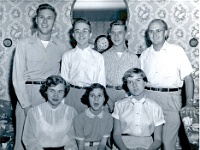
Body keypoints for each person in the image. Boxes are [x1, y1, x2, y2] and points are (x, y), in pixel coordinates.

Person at [12, 3, 67, 150]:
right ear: (36, 20)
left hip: (50, 98)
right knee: (22, 143)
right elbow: (17, 79)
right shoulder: (23, 44)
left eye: (49, 18)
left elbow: (66, 75)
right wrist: (26, 105)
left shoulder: (62, 47)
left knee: (47, 141)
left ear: (54, 22)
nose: (45, 21)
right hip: (27, 96)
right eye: (41, 17)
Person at [140, 19, 195, 150]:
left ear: (166, 32)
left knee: (168, 142)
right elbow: (140, 81)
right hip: (148, 99)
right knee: (150, 141)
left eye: (158, 30)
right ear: (148, 34)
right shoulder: (144, 55)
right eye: (151, 31)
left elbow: (188, 78)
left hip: (171, 99)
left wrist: (189, 103)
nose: (155, 34)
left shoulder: (177, 51)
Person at [112, 68, 165, 150]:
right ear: (126, 85)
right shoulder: (119, 105)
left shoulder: (155, 108)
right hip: (122, 145)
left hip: (147, 146)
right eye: (130, 82)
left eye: (138, 80)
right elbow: (116, 134)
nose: (134, 85)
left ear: (145, 82)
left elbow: (158, 140)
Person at [61, 18, 106, 114]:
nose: (81, 34)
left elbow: (101, 83)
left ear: (90, 34)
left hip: (91, 96)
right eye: (77, 31)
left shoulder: (98, 57)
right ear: (73, 35)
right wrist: (62, 103)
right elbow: (64, 82)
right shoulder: (67, 56)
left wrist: (100, 104)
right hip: (71, 95)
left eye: (85, 31)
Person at [23, 75, 78, 150]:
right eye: (52, 90)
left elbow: (73, 139)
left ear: (65, 93)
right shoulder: (34, 112)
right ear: (46, 91)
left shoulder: (71, 112)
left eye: (60, 91)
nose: (56, 95)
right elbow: (30, 140)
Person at [103, 20, 140, 113]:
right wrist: (108, 101)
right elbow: (99, 81)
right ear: (109, 35)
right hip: (107, 97)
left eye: (120, 33)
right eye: (113, 33)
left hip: (126, 96)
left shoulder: (133, 58)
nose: (116, 36)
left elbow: (137, 83)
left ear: (126, 35)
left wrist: (128, 99)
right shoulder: (102, 57)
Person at [73, 83, 113, 150]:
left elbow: (103, 144)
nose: (96, 99)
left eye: (99, 95)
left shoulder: (109, 118)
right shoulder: (79, 118)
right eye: (92, 96)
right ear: (88, 98)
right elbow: (81, 146)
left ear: (104, 98)